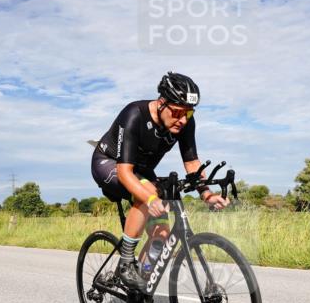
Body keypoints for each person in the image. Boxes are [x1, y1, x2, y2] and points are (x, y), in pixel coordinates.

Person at [91, 72, 229, 289]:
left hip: (142, 171)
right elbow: (126, 172)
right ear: (162, 103)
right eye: (177, 112)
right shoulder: (134, 114)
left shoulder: (184, 123)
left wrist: (207, 194)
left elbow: (192, 163)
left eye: (189, 113)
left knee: (162, 234)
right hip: (110, 164)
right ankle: (126, 263)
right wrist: (150, 198)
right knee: (147, 191)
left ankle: (141, 286)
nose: (183, 120)